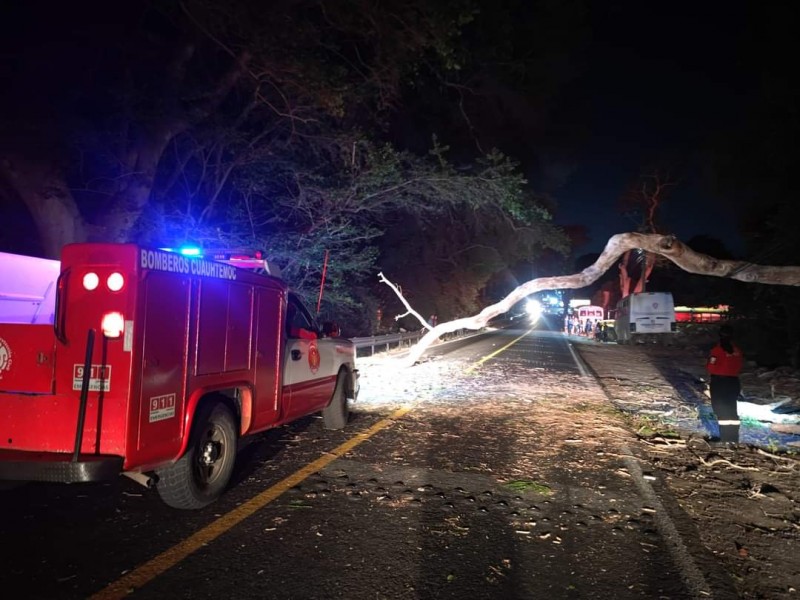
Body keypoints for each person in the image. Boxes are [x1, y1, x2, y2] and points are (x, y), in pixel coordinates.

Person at [706, 325, 744, 444]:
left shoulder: (717, 350)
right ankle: (733, 439)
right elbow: (739, 366)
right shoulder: (737, 350)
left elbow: (711, 367)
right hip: (733, 382)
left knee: (721, 409)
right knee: (732, 409)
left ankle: (725, 439)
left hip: (720, 382)